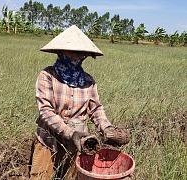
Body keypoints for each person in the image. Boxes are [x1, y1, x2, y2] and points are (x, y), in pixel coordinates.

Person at [29, 25, 131, 179]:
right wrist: (71, 133)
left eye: (81, 53)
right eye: (73, 51)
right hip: (48, 140)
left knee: (70, 177)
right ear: (61, 51)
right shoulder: (48, 75)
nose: (77, 56)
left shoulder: (88, 81)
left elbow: (96, 109)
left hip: (77, 144)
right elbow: (45, 111)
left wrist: (107, 127)